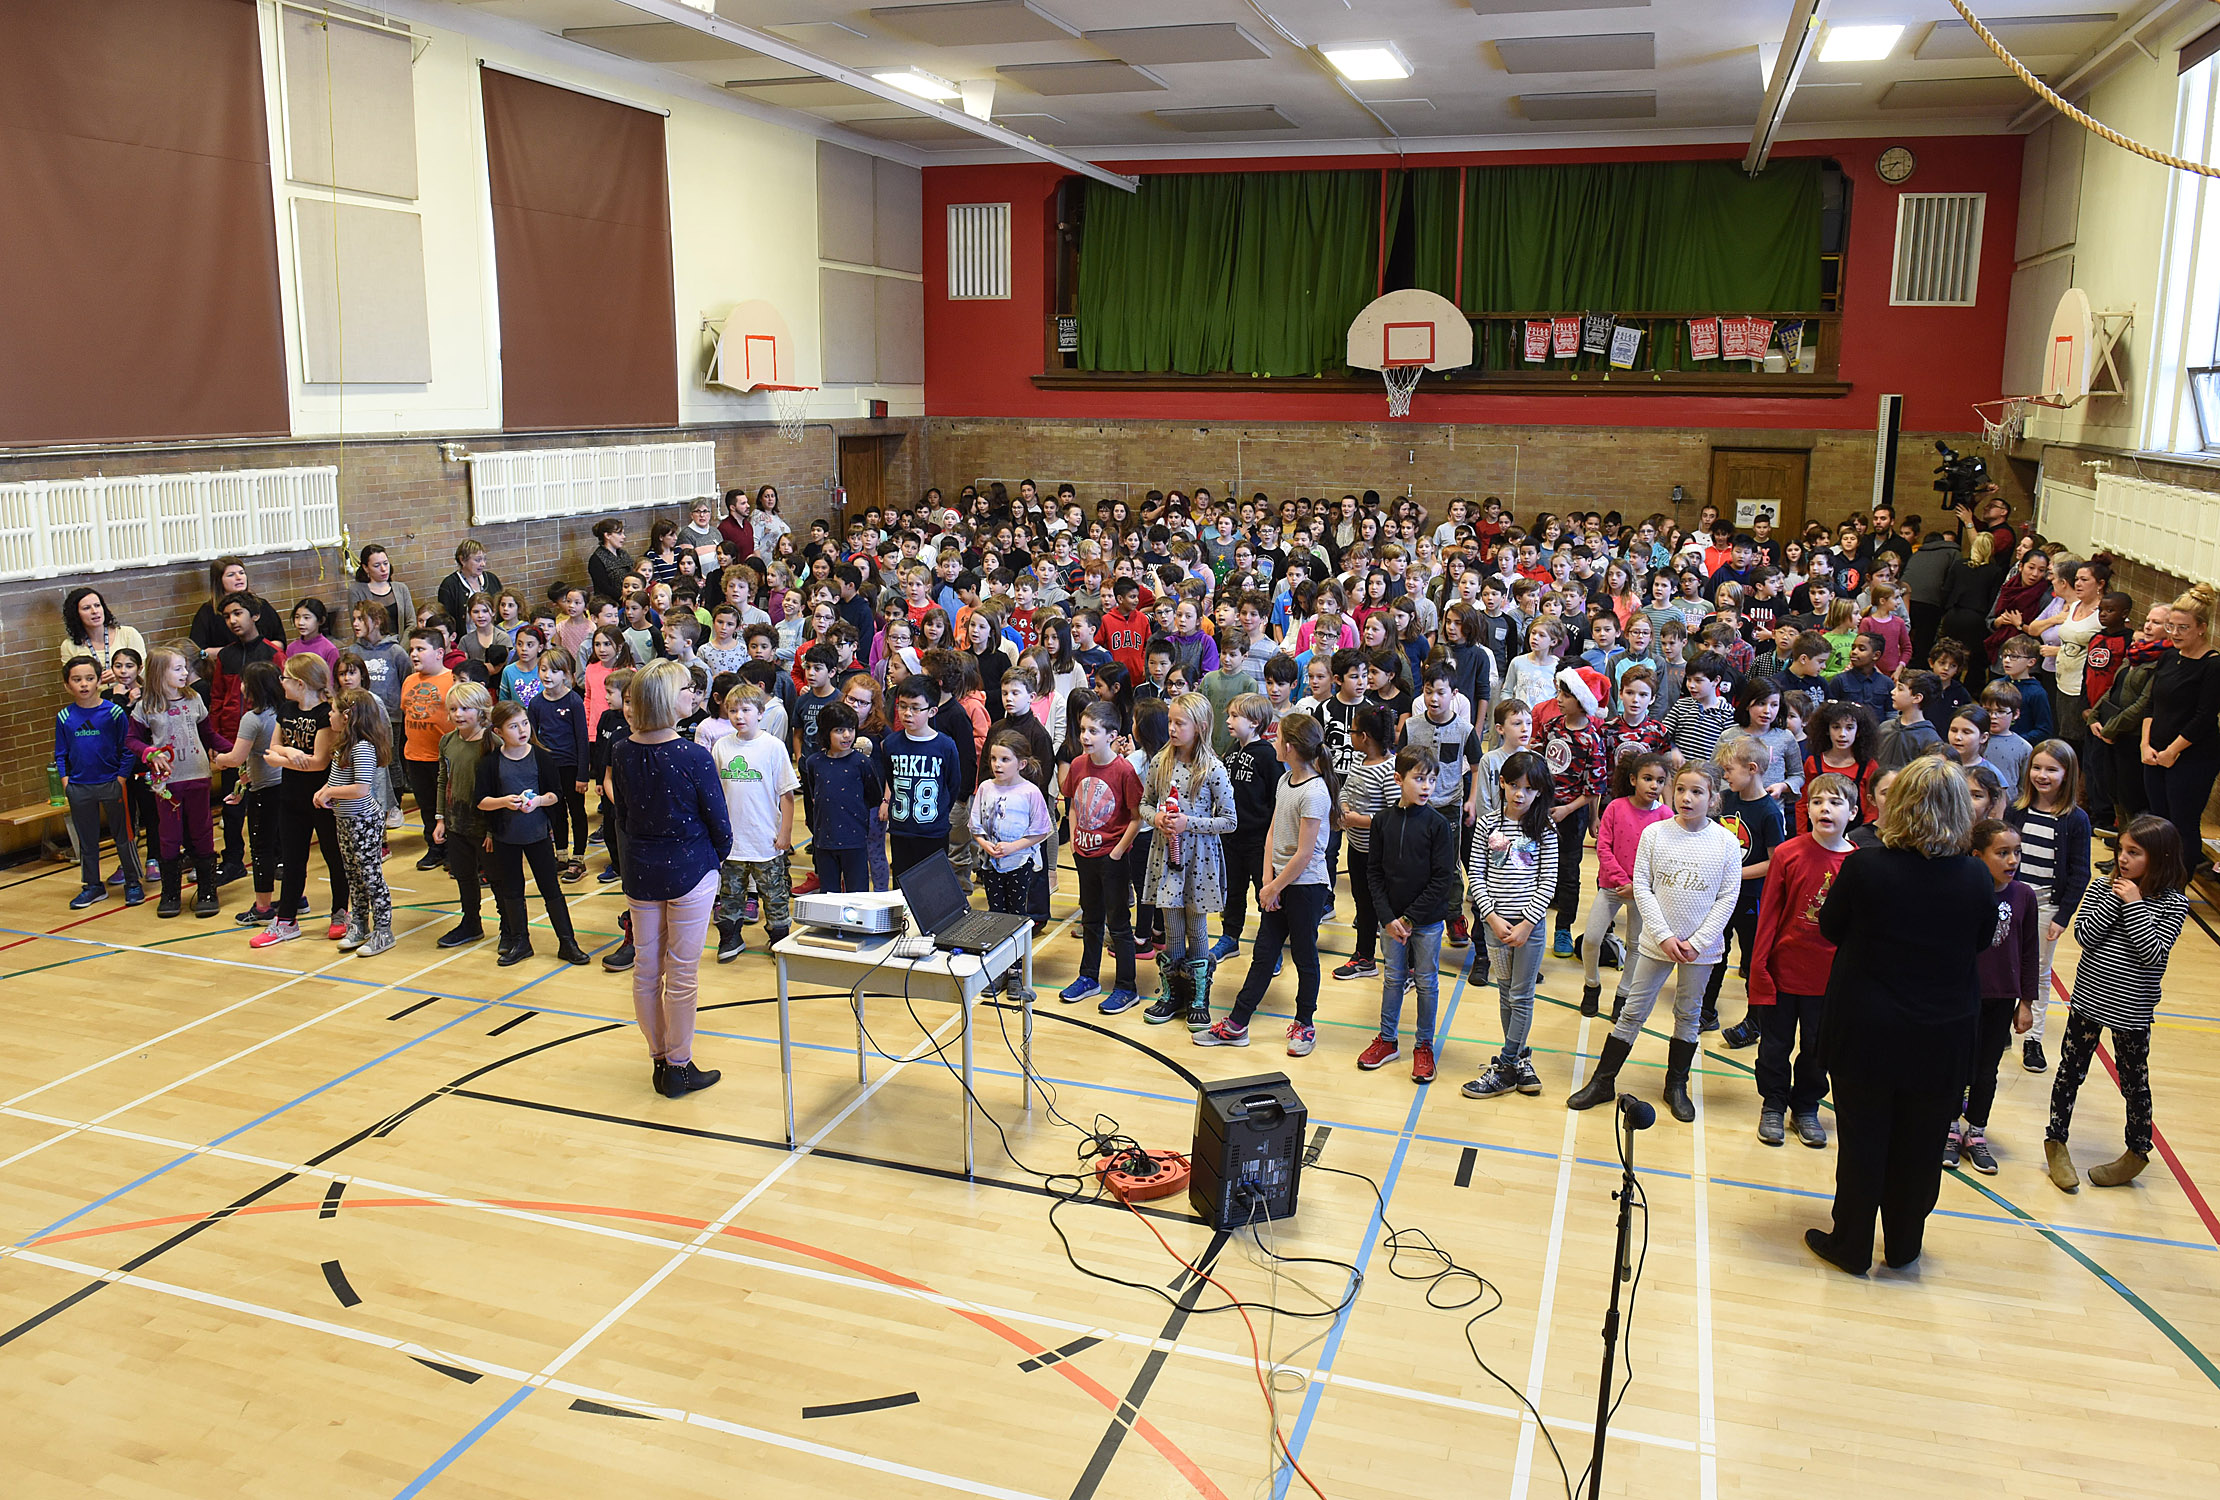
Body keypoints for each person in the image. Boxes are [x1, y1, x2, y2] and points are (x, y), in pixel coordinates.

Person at [1804, 758, 1998, 1276]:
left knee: (1864, 1140)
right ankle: (1905, 1244)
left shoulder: (1866, 866)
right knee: (1921, 1143)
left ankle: (1850, 1244)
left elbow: (1830, 926)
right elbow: (1979, 942)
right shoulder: (1977, 875)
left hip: (1868, 1028)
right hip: (1943, 1033)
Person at [1567, 760, 1742, 1123]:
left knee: (1688, 1015)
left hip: (1701, 949)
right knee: (1632, 1011)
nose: (1687, 798)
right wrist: (1663, 936)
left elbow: (1728, 897)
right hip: (1656, 943)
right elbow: (1642, 887)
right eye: (1681, 790)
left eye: (1697, 792)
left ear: (1713, 799)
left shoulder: (1725, 842)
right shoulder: (1656, 834)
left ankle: (1675, 1085)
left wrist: (1698, 941)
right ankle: (1603, 1082)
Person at [2043, 815, 2190, 1192]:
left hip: (2132, 1010)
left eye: (2134, 853)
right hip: (2088, 1001)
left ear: (2159, 857)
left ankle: (2137, 1152)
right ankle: (2056, 1142)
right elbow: (2085, 936)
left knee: (2134, 1082)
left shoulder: (2173, 904)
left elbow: (2153, 954)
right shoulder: (2102, 888)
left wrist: (2135, 904)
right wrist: (2113, 899)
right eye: (2121, 850)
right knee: (2069, 1073)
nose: (2123, 859)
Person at [613, 659, 733, 1097]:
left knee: (647, 970)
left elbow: (622, 817)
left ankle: (660, 1061)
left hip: (642, 872)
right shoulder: (693, 755)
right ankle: (679, 1066)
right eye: (687, 689)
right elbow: (719, 823)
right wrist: (714, 862)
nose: (694, 696)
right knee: (681, 974)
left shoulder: (622, 750)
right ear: (667, 699)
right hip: (689, 871)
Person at [1196, 711, 1334, 1056]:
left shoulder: (1315, 792)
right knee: (1263, 955)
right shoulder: (1285, 782)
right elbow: (1273, 831)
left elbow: (1304, 854)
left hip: (1306, 887)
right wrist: (1268, 879)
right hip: (1281, 883)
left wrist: (1276, 887)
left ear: (1289, 746)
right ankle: (1238, 1023)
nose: (1273, 742)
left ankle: (1305, 1024)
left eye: (1277, 738)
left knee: (1305, 957)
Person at [1746, 772, 1858, 1148]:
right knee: (1774, 1046)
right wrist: (1759, 970)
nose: (1825, 809)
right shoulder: (1787, 854)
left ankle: (1806, 1107)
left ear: (1853, 813)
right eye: (1817, 801)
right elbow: (1770, 916)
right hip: (1782, 973)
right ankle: (1773, 1105)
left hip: (1829, 982)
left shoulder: (1858, 864)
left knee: (1816, 1049)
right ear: (1806, 809)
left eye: (1836, 802)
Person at [1358, 746, 1462, 1085]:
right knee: (1392, 978)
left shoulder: (1438, 825)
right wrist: (1388, 918)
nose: (1426, 786)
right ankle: (1387, 1040)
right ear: (1398, 779)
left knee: (1427, 981)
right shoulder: (1383, 822)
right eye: (1419, 779)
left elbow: (1442, 879)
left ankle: (1424, 1046)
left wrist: (1410, 919)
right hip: (1391, 921)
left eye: (1431, 780)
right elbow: (1373, 873)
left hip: (1426, 922)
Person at [1461, 750, 1560, 1100]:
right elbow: (1477, 874)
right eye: (1514, 785)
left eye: (1529, 789)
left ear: (1539, 792)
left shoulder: (1545, 828)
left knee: (1522, 994)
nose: (1520, 794)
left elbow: (1548, 880)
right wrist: (1491, 917)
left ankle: (1504, 1065)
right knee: (1505, 992)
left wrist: (1526, 924)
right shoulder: (1488, 824)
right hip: (1495, 927)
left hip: (1527, 931)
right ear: (1501, 783)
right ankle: (1520, 1061)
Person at [1134, 693, 1236, 1027]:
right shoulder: (1160, 762)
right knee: (1172, 927)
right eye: (1170, 722)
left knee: (1196, 925)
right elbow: (1144, 804)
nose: (1173, 729)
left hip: (1200, 860)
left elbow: (1229, 821)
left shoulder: (1214, 770)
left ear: (1201, 727)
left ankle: (1198, 993)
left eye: (1181, 723)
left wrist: (1188, 823)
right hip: (1166, 857)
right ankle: (1172, 993)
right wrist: (1156, 819)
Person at [1947, 818, 2039, 1175]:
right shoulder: (1965, 893)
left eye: (2016, 852)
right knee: (1958, 1064)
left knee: (1986, 1070)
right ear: (1976, 856)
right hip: (1963, 996)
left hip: (2002, 999)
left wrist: (2026, 1003)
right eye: (2002, 853)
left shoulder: (2024, 896)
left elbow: (2030, 951)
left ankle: (1977, 1132)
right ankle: (1950, 1128)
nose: (2012, 860)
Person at [476, 701, 593, 969]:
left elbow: (556, 795)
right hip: (506, 837)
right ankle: (521, 942)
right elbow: (481, 801)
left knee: (550, 888)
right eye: (513, 726)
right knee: (512, 891)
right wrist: (504, 802)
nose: (522, 730)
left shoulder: (542, 757)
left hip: (538, 835)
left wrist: (539, 801)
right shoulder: (490, 763)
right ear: (498, 731)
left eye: (525, 723)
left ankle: (567, 942)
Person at [2005, 740, 2091, 1075]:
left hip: (2045, 906)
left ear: (2067, 775)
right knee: (2002, 963)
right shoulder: (2017, 809)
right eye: (2037, 768)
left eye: (2052, 769)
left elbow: (2079, 871)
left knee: (2038, 972)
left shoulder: (2076, 819)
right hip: (2012, 900)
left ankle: (2033, 1038)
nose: (2043, 775)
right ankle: (2001, 1027)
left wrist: (2063, 915)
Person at [251, 655, 348, 948]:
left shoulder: (325, 714)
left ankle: (340, 912)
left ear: (300, 683)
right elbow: (271, 751)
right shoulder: (286, 708)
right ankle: (286, 921)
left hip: (322, 798)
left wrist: (289, 756)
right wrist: (290, 754)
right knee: (293, 860)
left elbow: (319, 763)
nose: (281, 682)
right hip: (290, 797)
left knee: (334, 857)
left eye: (285, 677)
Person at [129, 646, 226, 919]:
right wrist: (149, 753)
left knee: (202, 831)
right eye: (178, 668)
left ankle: (208, 889)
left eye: (185, 667)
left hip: (197, 776)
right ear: (160, 673)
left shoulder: (194, 699)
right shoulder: (146, 707)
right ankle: (170, 892)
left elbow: (208, 735)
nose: (185, 673)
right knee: (169, 836)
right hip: (168, 784)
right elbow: (131, 740)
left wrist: (234, 752)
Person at [1061, 699, 1142, 1013]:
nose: (1085, 736)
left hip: (1112, 858)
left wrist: (1118, 852)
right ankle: (1089, 977)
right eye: (1083, 729)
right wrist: (1072, 839)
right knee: (1090, 917)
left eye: (1093, 730)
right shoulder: (1080, 764)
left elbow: (1137, 817)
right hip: (1084, 854)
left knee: (1118, 923)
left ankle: (1126, 986)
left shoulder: (1123, 770)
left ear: (1112, 735)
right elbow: (1071, 804)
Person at [1579, 751, 1670, 1018]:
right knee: (1592, 939)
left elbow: (1664, 857)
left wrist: (1639, 886)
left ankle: (1623, 994)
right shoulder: (1616, 808)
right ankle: (1591, 985)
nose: (1654, 785)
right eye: (1648, 779)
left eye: (1661, 780)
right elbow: (1604, 849)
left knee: (1636, 945)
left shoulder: (1665, 815)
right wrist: (1623, 882)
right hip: (1612, 888)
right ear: (1633, 779)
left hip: (1643, 893)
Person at [712, 684, 798, 962]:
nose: (739, 716)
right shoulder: (722, 747)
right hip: (732, 842)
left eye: (746, 710)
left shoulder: (773, 747)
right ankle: (730, 937)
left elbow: (787, 797)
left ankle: (778, 940)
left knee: (774, 895)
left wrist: (785, 834)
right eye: (733, 710)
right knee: (730, 895)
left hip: (765, 840)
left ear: (761, 713)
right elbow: (715, 794)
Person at [2141, 583, 2220, 877]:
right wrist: (2145, 745)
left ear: (2201, 628)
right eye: (2171, 626)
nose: (2174, 633)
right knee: (2158, 820)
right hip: (2156, 751)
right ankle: (2155, 881)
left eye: (2183, 628)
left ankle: (2176, 891)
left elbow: (2203, 717)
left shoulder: (2213, 666)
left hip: (2193, 756)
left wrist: (2172, 751)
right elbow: (2152, 704)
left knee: (2182, 822)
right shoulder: (2168, 656)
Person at [55, 655, 145, 907]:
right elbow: (60, 754)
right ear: (67, 685)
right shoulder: (64, 717)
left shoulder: (114, 712)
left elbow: (127, 748)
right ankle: (93, 885)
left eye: (89, 678)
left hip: (112, 784)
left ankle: (133, 882)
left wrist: (120, 778)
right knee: (87, 839)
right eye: (77, 680)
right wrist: (66, 782)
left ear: (98, 682)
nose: (84, 684)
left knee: (123, 835)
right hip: (79, 787)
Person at [312, 689, 395, 956]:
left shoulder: (362, 748)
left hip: (363, 821)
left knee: (371, 875)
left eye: (334, 711)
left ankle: (384, 930)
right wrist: (324, 789)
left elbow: (361, 789)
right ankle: (359, 923)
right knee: (353, 875)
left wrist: (331, 792)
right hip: (345, 820)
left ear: (347, 716)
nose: (329, 715)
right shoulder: (342, 746)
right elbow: (337, 781)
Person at [1332, 706, 1399, 982]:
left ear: (1366, 736)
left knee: (1383, 906)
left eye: (1353, 731)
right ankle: (1364, 957)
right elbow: (1346, 789)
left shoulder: (1389, 769)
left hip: (1379, 854)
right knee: (1363, 903)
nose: (1350, 736)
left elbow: (1393, 814)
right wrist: (1344, 807)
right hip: (1357, 848)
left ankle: (1401, 966)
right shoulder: (1359, 761)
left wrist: (1356, 819)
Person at [877, 674, 962, 880]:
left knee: (932, 886)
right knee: (902, 884)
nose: (907, 713)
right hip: (901, 831)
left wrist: (938, 813)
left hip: (933, 832)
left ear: (932, 711)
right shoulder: (891, 744)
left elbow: (952, 785)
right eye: (902, 706)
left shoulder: (945, 745)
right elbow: (890, 778)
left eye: (915, 707)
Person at [429, 681, 493, 949]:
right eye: (454, 708)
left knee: (497, 878)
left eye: (465, 708)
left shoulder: (493, 742)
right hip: (457, 822)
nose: (458, 714)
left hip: (485, 825)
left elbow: (499, 785)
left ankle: (511, 927)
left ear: (481, 710)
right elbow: (444, 779)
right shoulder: (448, 741)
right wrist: (441, 818)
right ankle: (471, 922)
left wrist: (492, 830)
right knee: (464, 875)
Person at [799, 701, 881, 894]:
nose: (847, 735)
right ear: (826, 732)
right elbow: (813, 797)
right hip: (824, 841)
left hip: (855, 841)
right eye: (839, 730)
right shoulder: (814, 763)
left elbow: (873, 796)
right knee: (829, 894)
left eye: (851, 729)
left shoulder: (862, 763)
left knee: (858, 892)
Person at [59, 587, 147, 687]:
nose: (94, 611)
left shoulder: (128, 634)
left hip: (130, 697)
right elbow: (69, 685)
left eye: (97, 605)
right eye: (86, 608)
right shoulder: (68, 645)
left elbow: (144, 672)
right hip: (94, 700)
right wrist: (96, 681)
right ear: (76, 614)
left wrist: (120, 675)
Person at [347, 544, 415, 647]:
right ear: (366, 568)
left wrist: (400, 648)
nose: (383, 569)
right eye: (377, 565)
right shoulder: (356, 591)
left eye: (385, 563)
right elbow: (358, 626)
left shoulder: (401, 588)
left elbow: (411, 623)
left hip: (401, 647)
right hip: (371, 649)